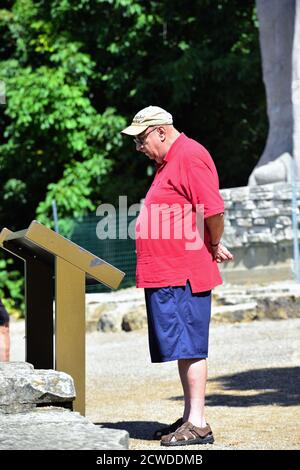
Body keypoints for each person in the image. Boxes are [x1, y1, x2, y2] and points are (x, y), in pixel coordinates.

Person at [121, 106, 233, 447]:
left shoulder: (189, 154)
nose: (139, 147)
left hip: (183, 273)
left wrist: (212, 242)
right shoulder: (168, 162)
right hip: (168, 272)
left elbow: (212, 209)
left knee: (191, 345)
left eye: (141, 139)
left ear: (160, 131)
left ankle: (198, 423)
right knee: (183, 346)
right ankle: (190, 417)